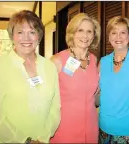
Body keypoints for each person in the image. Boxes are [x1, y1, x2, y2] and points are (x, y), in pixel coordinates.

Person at [0, 10, 61, 143]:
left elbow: (56, 107)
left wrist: (43, 137)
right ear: (12, 36)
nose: (26, 38)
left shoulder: (49, 67)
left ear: (39, 36)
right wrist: (26, 141)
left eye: (32, 32)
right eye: (20, 32)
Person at [50, 13, 100, 143]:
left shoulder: (94, 61)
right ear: (72, 33)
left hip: (91, 129)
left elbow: (95, 96)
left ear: (94, 35)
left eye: (89, 31)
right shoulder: (57, 60)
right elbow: (44, 99)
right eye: (80, 30)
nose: (85, 36)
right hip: (64, 130)